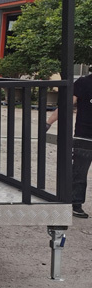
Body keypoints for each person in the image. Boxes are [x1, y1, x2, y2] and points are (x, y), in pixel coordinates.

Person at [46, 69, 92, 218]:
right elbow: (66, 106)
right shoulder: (84, 83)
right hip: (84, 135)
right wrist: (48, 122)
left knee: (79, 172)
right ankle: (75, 204)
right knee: (79, 172)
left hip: (83, 135)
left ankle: (75, 203)